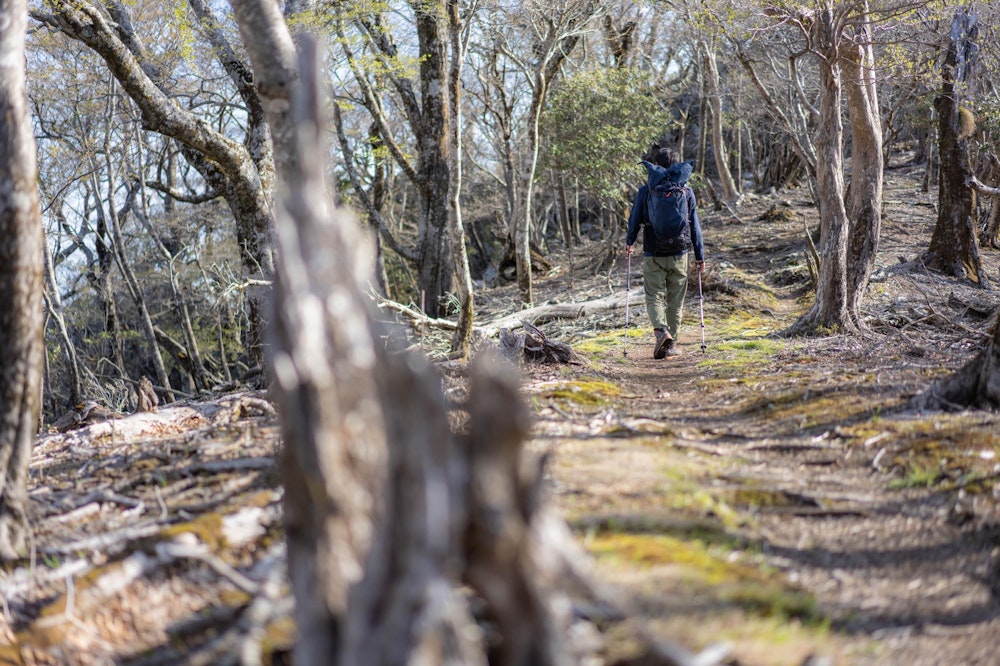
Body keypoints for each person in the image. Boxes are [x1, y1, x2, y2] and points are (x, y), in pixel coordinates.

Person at [625, 146, 705, 359]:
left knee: (654, 296)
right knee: (676, 300)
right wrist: (700, 256)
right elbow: (694, 225)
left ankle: (661, 331)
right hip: (680, 252)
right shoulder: (686, 191)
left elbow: (634, 219)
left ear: (656, 165)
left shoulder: (646, 190)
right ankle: (671, 344)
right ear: (677, 166)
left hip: (653, 250)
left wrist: (629, 241)